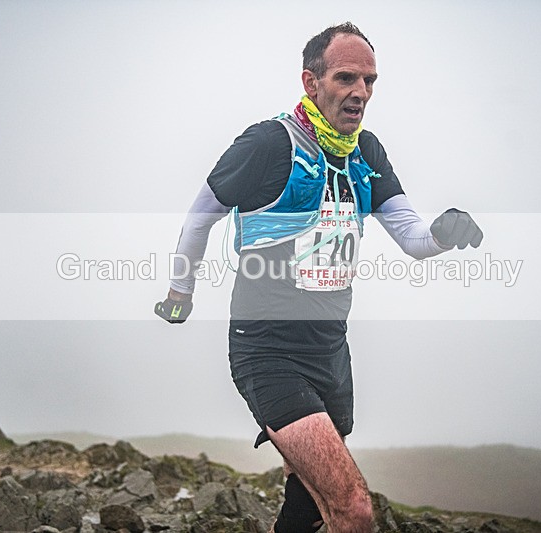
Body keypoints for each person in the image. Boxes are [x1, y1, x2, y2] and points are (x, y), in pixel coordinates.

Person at [155, 23, 483, 532]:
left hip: (330, 349)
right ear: (311, 82)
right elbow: (200, 217)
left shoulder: (366, 152)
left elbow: (414, 239)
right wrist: (181, 292)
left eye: (370, 81)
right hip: (268, 349)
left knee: (309, 506)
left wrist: (444, 232)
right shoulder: (268, 144)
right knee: (353, 507)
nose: (361, 92)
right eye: (346, 78)